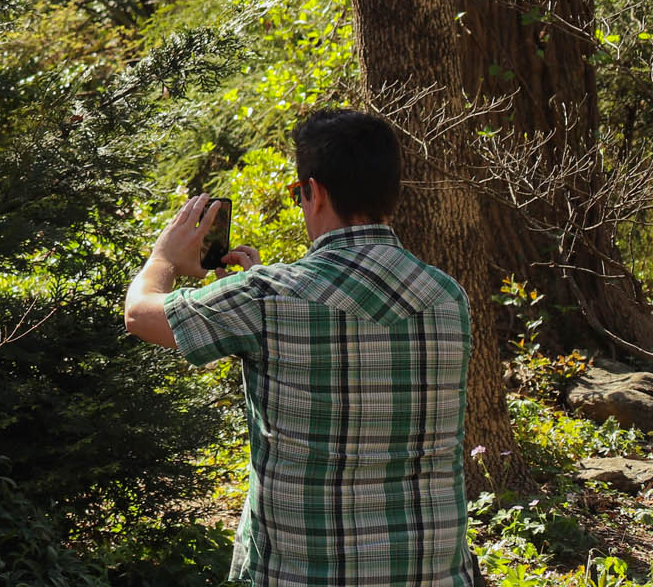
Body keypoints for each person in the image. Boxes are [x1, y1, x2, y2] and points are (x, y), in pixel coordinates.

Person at [124, 108, 475, 587]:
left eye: (297, 194)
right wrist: (256, 286)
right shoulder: (448, 297)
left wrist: (163, 258)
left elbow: (140, 314)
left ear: (315, 192)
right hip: (429, 572)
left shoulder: (267, 298)